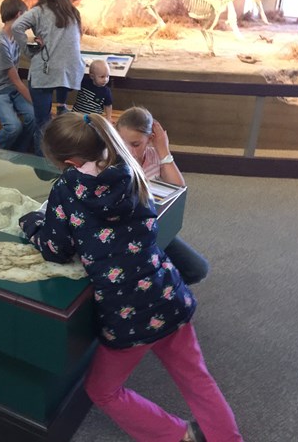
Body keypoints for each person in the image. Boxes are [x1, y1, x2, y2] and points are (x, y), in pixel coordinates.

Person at [18, 112, 242, 442]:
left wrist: (32, 226)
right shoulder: (131, 169)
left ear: (66, 161)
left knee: (102, 390)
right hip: (168, 294)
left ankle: (178, 435)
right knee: (197, 379)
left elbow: (55, 248)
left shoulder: (67, 188)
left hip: (126, 315)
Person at [115, 106, 209, 285]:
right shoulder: (111, 161)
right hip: (125, 236)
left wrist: (163, 150)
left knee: (198, 269)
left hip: (155, 228)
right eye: (121, 142)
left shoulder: (154, 155)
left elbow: (178, 189)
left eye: (136, 144)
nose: (129, 151)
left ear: (150, 139)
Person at [12, 0, 85, 151]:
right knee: (61, 124)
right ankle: (62, 106)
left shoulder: (38, 12)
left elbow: (16, 27)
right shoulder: (73, 13)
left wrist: (29, 48)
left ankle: (42, 164)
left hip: (44, 71)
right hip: (69, 73)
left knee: (42, 123)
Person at [0, 0, 38, 153]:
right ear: (20, 15)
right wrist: (38, 103)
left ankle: (17, 153)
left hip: (11, 88)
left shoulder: (16, 37)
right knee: (13, 126)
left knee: (33, 118)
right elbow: (17, 82)